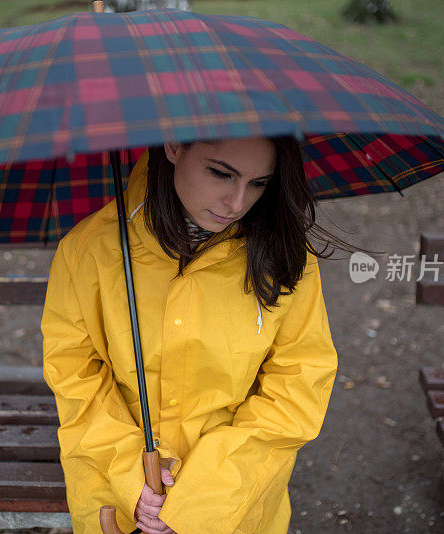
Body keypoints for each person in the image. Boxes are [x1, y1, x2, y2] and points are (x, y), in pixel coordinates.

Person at [41, 135, 339, 534]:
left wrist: (204, 498)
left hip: (233, 504)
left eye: (258, 183)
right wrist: (130, 476)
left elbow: (298, 385)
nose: (237, 203)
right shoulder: (88, 251)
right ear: (174, 146)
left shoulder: (284, 255)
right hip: (116, 501)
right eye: (220, 173)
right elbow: (75, 377)